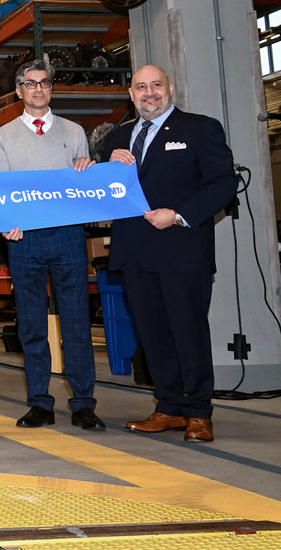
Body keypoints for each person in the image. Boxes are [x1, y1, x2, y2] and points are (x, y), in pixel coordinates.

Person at [99, 65, 235, 443]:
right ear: (131, 94)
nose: (149, 93)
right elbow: (99, 189)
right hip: (135, 253)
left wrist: (178, 215)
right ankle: (169, 407)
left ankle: (199, 413)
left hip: (181, 250)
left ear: (170, 88)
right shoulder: (119, 137)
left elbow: (223, 183)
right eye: (141, 87)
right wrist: (99, 167)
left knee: (188, 331)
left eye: (156, 85)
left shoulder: (200, 128)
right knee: (154, 334)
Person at [0, 59, 105, 432]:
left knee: (76, 321)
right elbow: (0, 189)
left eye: (44, 83)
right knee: (31, 324)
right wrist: (7, 222)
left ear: (51, 89)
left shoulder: (74, 132)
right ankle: (40, 402)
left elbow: (83, 187)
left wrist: (87, 168)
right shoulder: (3, 136)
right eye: (30, 83)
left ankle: (84, 403)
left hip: (68, 235)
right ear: (19, 91)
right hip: (24, 239)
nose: (38, 89)